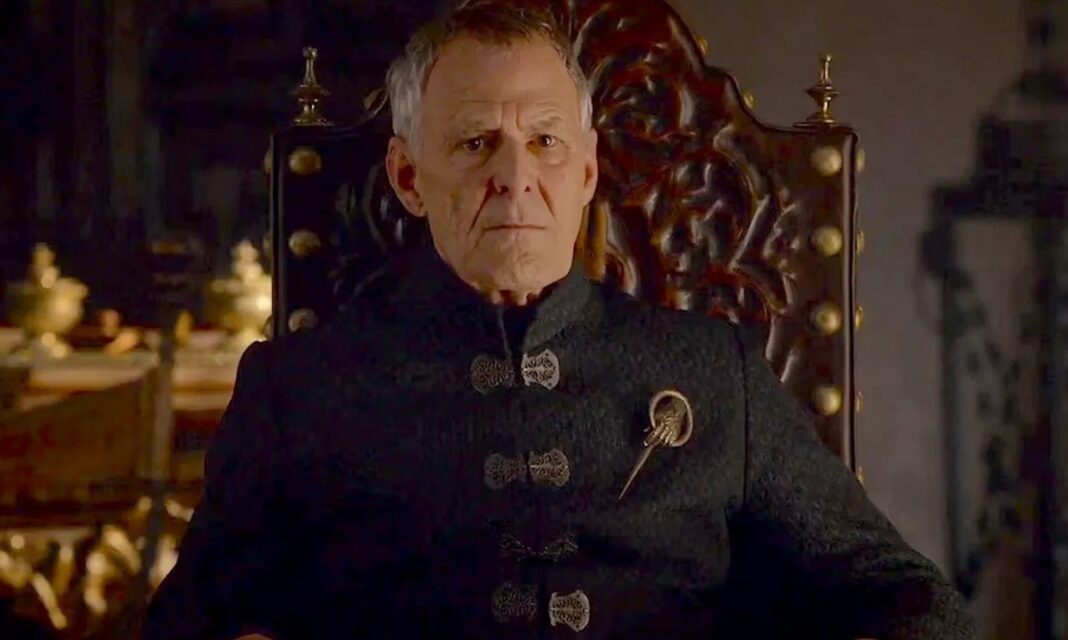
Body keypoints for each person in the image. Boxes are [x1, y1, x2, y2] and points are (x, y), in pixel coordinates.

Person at [143, 2, 975, 638]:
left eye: (545, 141)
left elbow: (911, 597)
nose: (516, 176)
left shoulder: (715, 372)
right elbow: (190, 624)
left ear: (586, 173)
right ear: (407, 178)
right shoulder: (298, 389)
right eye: (475, 142)